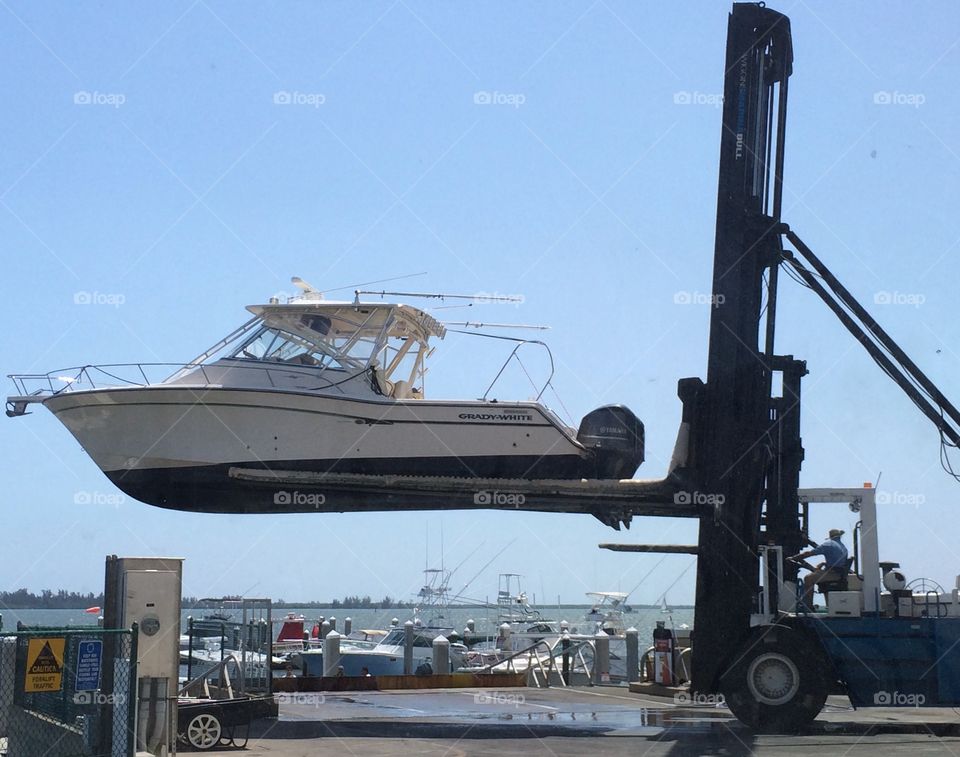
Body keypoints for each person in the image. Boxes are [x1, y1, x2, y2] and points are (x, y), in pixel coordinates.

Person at [789, 529, 849, 608]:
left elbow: (809, 553)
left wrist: (793, 558)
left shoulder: (829, 544)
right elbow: (837, 562)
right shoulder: (843, 546)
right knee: (817, 573)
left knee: (808, 578)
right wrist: (824, 563)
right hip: (839, 574)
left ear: (830, 536)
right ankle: (828, 606)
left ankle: (808, 606)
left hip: (832, 574)